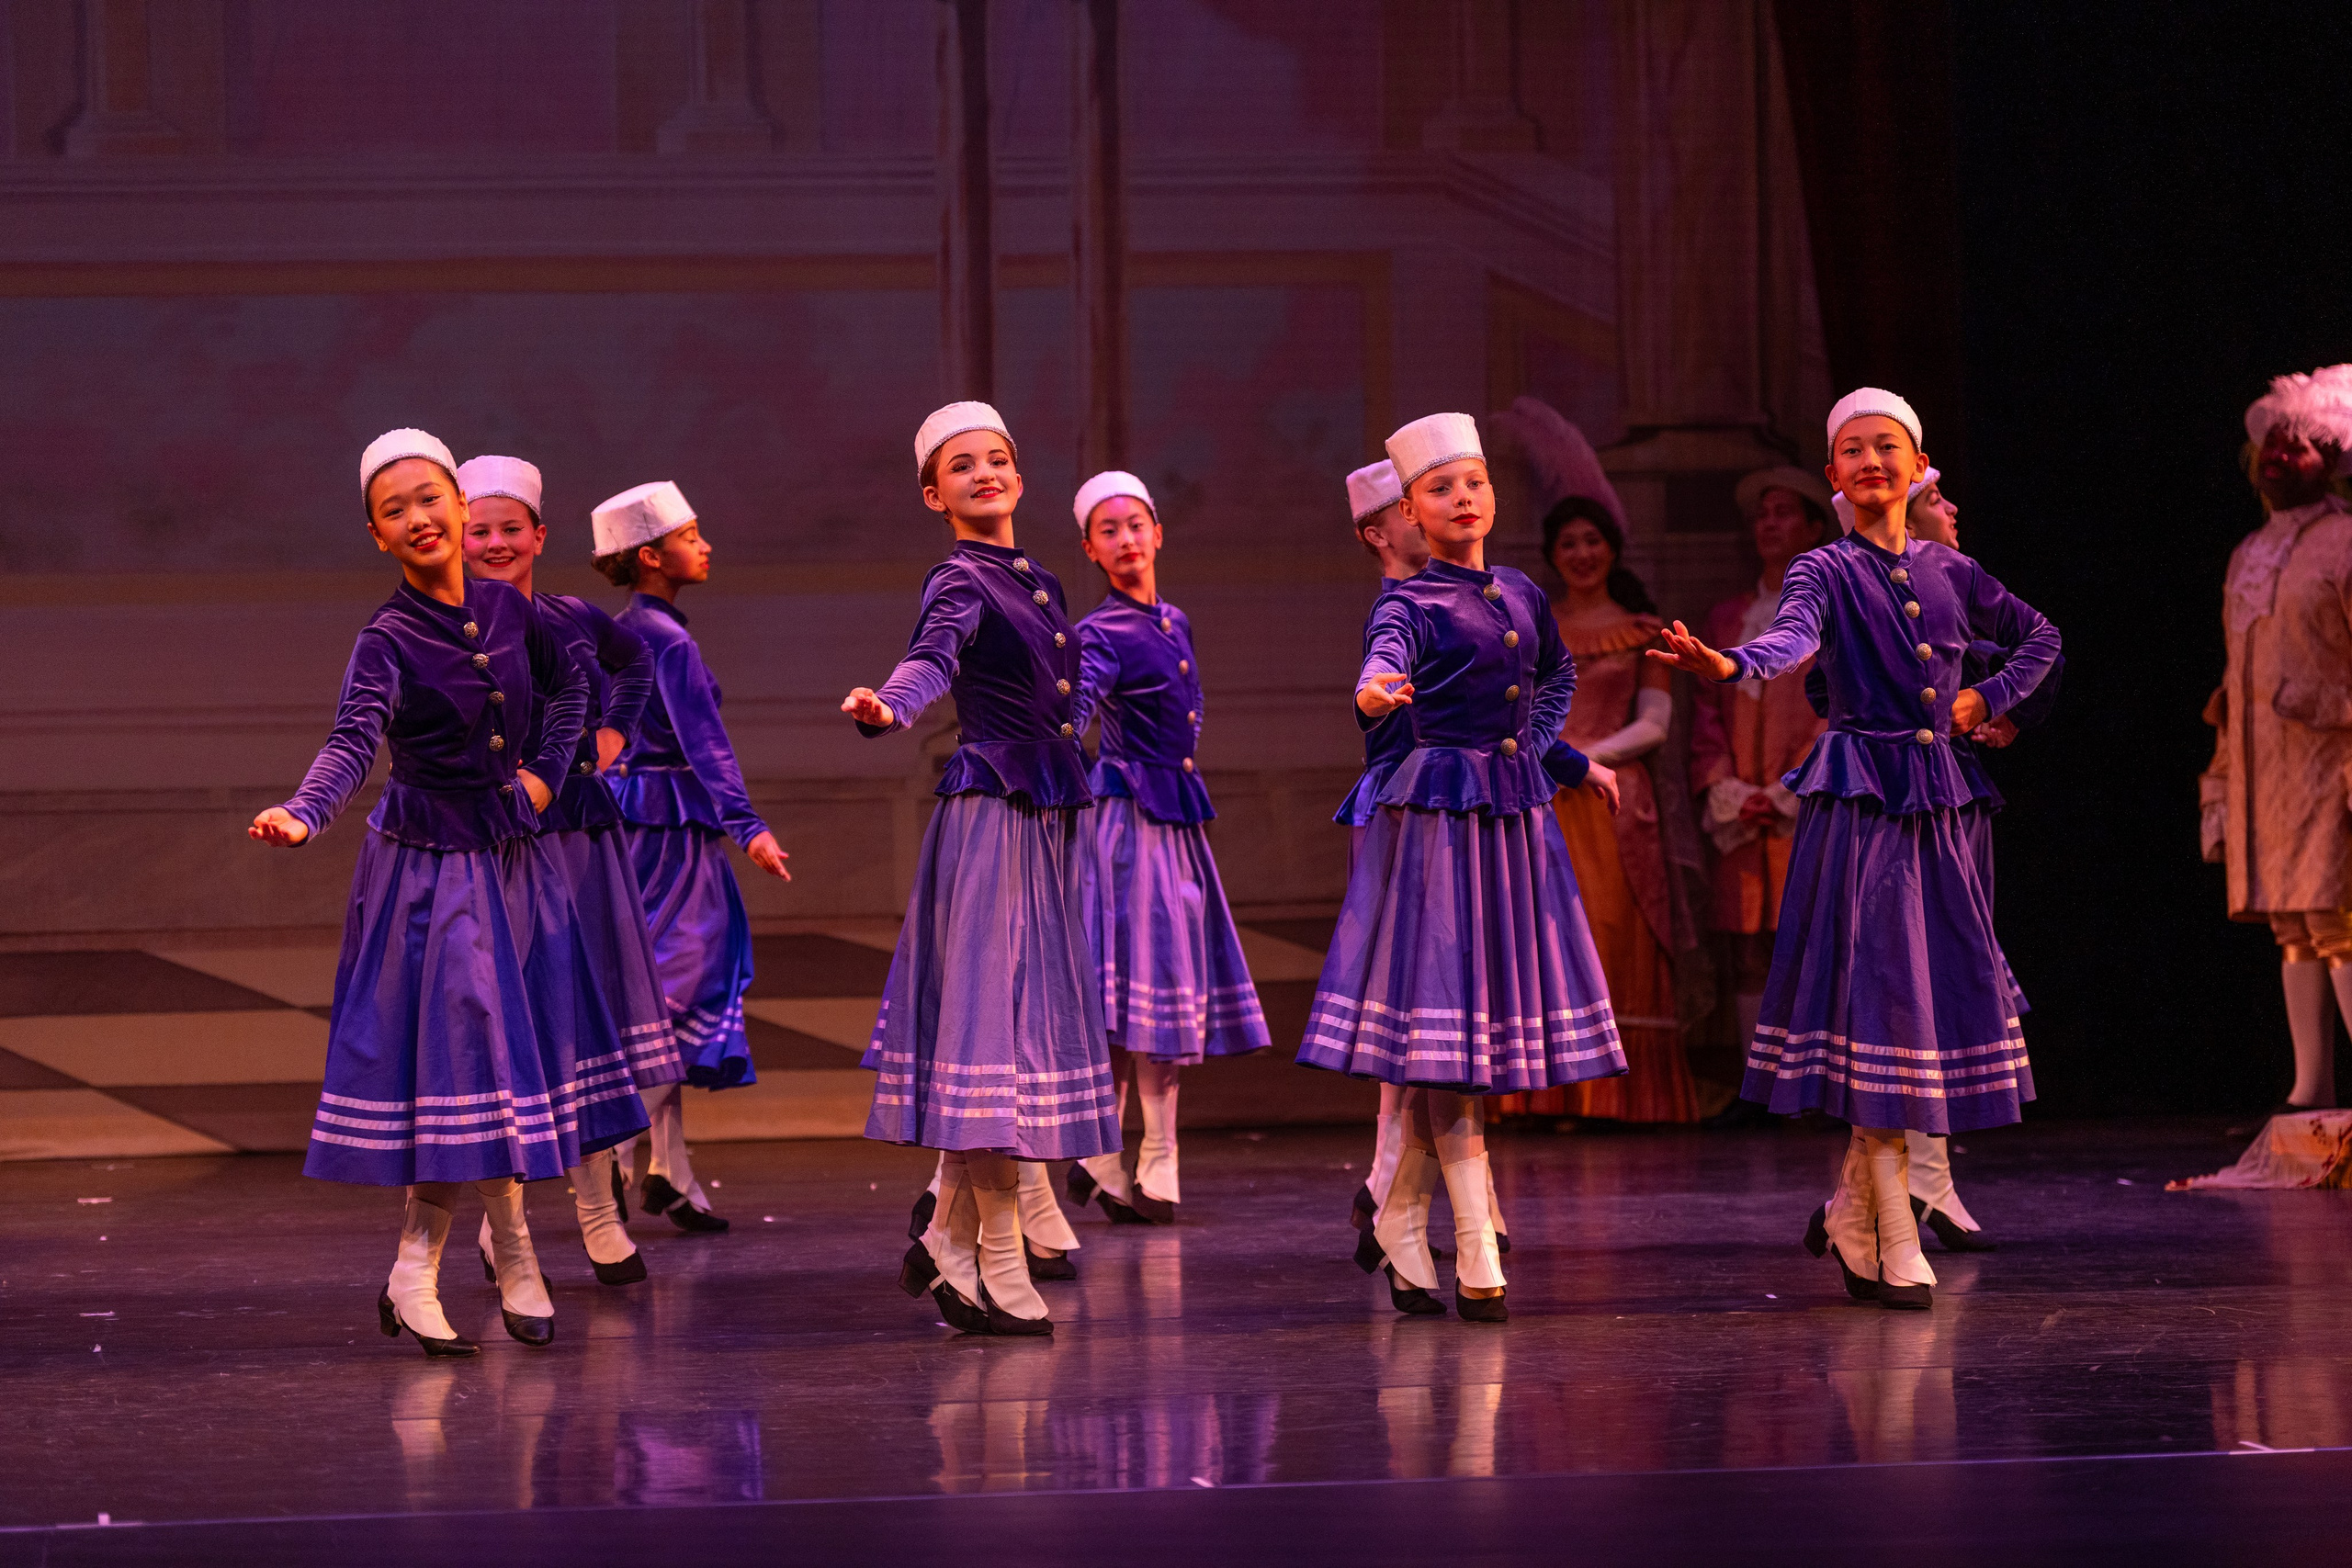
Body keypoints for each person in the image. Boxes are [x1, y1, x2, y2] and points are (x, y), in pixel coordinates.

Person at [1651, 389, 2059, 1310]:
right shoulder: (1822, 570)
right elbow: (1788, 643)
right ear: (1833, 477)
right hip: (1863, 806)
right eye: (1851, 450)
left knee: (1927, 1002)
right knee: (1884, 1004)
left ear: (1917, 469)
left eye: (1888, 448)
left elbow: (2039, 639)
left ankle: (1855, 1212)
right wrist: (1726, 666)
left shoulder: (1953, 573)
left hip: (1943, 808)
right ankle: (1887, 1224)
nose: (1871, 461)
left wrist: (1986, 700)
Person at [250, 428, 643, 1357]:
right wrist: (307, 811)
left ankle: (451, 1265)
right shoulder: (386, 638)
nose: (420, 517)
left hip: (516, 863)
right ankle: (483, 1258)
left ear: (462, 508)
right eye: (396, 510)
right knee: (471, 1059)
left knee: (506, 1065)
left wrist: (547, 780)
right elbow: (354, 738)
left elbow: (573, 695)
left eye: (432, 497)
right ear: (379, 537)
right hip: (433, 869)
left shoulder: (517, 615)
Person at [1301, 412, 1627, 1322]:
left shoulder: (1521, 592)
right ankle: (1475, 1234)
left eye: (1473, 483)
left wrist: (1570, 760)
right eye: (1440, 490)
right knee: (1445, 1040)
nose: (1461, 499)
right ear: (1410, 510)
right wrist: (1373, 690)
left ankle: (1404, 1217)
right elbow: (1383, 663)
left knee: (1465, 1043)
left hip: (1510, 822)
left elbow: (1544, 687)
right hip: (1439, 824)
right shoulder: (1407, 603)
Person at [843, 401, 1121, 1337]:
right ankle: (993, 1253)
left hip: (1042, 814)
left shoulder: (1038, 579)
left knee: (1016, 1033)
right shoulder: (959, 577)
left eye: (997, 459)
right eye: (961, 467)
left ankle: (952, 1243)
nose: (984, 474)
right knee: (993, 1033)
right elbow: (930, 662)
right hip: (994, 814)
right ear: (934, 493)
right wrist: (888, 708)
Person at [457, 454, 682, 1286]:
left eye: (509, 528)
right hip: (504, 845)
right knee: (515, 1031)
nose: (493, 543)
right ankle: (503, 1224)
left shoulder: (574, 615)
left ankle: (596, 1210)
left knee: (589, 1025)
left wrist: (617, 732)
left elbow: (636, 664)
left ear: (539, 535)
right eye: (478, 530)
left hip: (581, 837)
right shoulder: (455, 631)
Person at [1062, 469, 1271, 1226]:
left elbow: (1190, 704)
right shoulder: (1100, 632)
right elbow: (1074, 711)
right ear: (1091, 548)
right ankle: (1137, 1159)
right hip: (1128, 826)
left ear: (1158, 532)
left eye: (1135, 525)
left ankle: (1124, 1159)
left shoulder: (1173, 620)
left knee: (1155, 992)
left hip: (1173, 816)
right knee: (1137, 991)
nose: (1125, 540)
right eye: (1108, 531)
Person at [598, 481, 792, 1235]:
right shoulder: (666, 639)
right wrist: (749, 827)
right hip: (669, 831)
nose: (704, 545)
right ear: (652, 555)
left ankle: (667, 1170)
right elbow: (705, 742)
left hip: (639, 823)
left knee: (653, 994)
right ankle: (611, 1154)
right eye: (691, 534)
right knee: (681, 986)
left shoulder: (629, 628)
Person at [2202, 367, 2352, 1121]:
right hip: (2270, 770)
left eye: (2300, 446)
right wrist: (2223, 781)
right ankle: (2312, 1084)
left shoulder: (2347, 544)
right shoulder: (2249, 551)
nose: (2279, 456)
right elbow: (2235, 680)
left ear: (2336, 458)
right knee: (2293, 920)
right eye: (2272, 443)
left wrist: (2320, 700)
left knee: (2338, 915)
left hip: (2337, 763)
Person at [1517, 491, 1693, 1124]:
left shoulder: (1645, 630)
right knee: (1547, 932)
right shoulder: (1533, 628)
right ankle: (1547, 1094)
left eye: (1592, 540)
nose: (1582, 553)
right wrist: (1554, 757)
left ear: (1613, 547)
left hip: (1614, 799)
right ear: (1552, 555)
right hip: (1544, 797)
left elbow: (1655, 724)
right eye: (1568, 543)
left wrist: (1582, 754)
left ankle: (1621, 1095)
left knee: (1614, 932)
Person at [1690, 468, 1834, 1126]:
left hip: (1802, 799)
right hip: (1742, 809)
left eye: (1785, 513)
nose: (1770, 524)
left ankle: (1814, 1086)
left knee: (1804, 939)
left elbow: (1835, 712)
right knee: (1748, 945)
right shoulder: (1727, 617)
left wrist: (1786, 788)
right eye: (1762, 514)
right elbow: (1707, 714)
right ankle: (1760, 1089)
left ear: (1813, 528)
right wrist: (1728, 787)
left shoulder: (1832, 612)